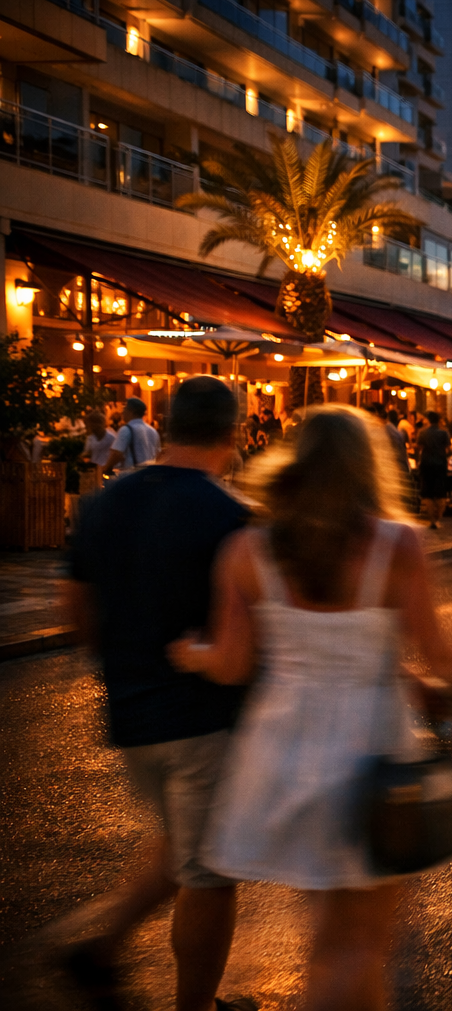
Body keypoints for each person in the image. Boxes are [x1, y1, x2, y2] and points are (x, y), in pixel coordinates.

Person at [169, 406, 452, 1009]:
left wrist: (191, 653)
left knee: (335, 938)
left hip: (280, 753)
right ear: (370, 464)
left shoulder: (247, 550)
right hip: (371, 751)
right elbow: (439, 656)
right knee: (357, 942)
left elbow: (231, 665)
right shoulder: (396, 545)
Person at [63, 377, 253, 1011]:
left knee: (178, 846)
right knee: (210, 873)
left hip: (128, 710)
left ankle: (101, 951)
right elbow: (244, 637)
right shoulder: (231, 516)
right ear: (235, 433)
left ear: (166, 428)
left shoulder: (103, 504)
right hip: (201, 719)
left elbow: (76, 612)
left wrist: (119, 659)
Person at [103, 396, 161, 474]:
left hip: (131, 476)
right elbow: (158, 455)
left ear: (131, 411)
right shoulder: (153, 431)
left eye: (125, 409)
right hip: (149, 476)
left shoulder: (126, 429)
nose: (122, 412)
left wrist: (107, 469)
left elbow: (116, 454)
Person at [414, 411, 450, 529]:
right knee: (440, 492)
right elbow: (448, 448)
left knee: (427, 492)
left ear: (428, 420)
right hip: (440, 463)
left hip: (426, 463)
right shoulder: (444, 433)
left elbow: (419, 447)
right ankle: (437, 517)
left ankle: (432, 520)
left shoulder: (422, 432)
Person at [82, 409, 117, 489]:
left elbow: (116, 454)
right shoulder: (91, 438)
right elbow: (87, 454)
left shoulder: (111, 438)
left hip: (109, 472)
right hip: (96, 473)